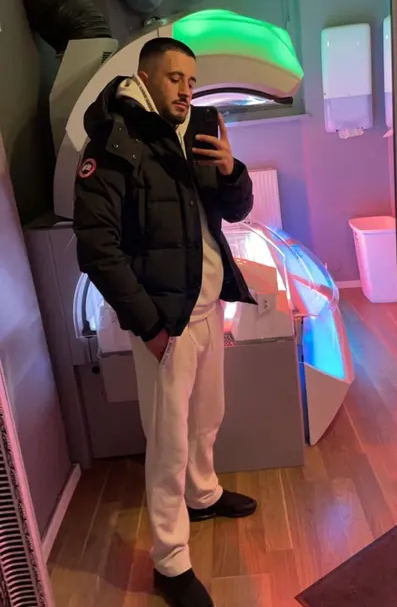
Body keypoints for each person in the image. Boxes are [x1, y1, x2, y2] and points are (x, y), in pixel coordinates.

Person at [73, 37, 258, 607]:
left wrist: (231, 170)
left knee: (207, 418)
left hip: (205, 307)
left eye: (192, 81)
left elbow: (235, 210)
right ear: (146, 77)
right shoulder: (115, 139)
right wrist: (150, 326)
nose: (186, 90)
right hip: (165, 325)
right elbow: (96, 246)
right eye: (175, 78)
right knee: (169, 443)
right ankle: (170, 561)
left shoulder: (194, 130)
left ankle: (203, 496)